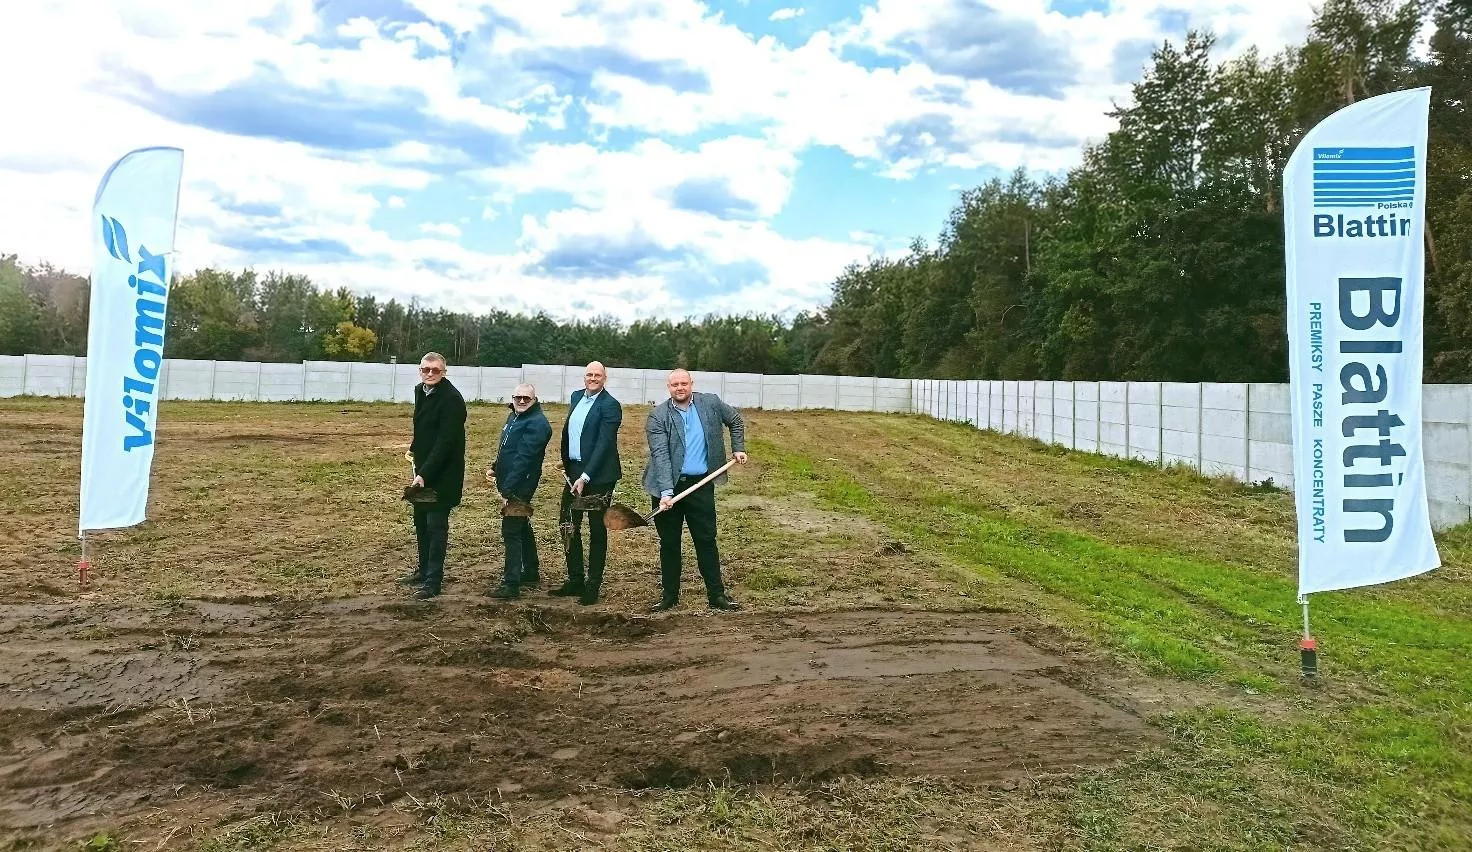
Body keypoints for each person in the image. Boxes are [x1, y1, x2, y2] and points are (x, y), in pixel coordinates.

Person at [642, 368, 747, 612]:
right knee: (669, 543)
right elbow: (661, 456)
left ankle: (717, 596)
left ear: (691, 384)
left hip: (701, 484)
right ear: (668, 388)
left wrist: (738, 447)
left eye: (683, 383)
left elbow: (736, 420)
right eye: (674, 385)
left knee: (706, 540)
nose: (680, 388)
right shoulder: (658, 417)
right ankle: (669, 596)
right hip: (666, 486)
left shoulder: (710, 403)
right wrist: (666, 493)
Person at [553, 361, 623, 605]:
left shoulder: (610, 406)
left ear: (605, 379)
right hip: (574, 472)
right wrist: (571, 464)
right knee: (567, 524)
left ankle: (592, 585)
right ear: (584, 377)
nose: (593, 378)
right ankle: (575, 580)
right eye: (589, 374)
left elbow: (604, 444)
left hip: (599, 476)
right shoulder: (576, 397)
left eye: (598, 375)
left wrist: (586, 476)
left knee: (596, 529)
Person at [398, 352, 466, 600]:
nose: (429, 374)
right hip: (423, 470)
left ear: (444, 372)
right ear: (420, 370)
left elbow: (446, 441)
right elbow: (422, 426)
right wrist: (414, 448)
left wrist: (425, 474)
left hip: (443, 475)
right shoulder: (420, 390)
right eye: (425, 369)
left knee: (436, 526)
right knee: (421, 523)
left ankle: (433, 581)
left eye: (435, 370)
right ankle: (424, 569)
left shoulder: (452, 400)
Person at [486, 383, 552, 600]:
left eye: (526, 398)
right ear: (512, 398)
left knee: (511, 530)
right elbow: (507, 449)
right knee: (521, 526)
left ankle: (511, 584)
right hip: (510, 480)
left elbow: (524, 459)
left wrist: (507, 489)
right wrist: (496, 467)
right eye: (518, 398)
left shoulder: (537, 424)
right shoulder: (514, 417)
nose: (522, 401)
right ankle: (531, 572)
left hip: (520, 485)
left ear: (535, 399)